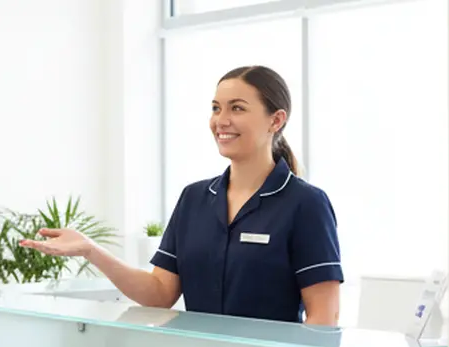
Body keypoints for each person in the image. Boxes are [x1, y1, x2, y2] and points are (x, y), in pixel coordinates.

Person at [21, 65, 344, 325]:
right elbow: (160, 293)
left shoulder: (305, 203)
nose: (221, 120)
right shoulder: (194, 199)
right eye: (216, 108)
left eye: (237, 108)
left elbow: (324, 317)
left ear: (276, 119)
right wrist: (92, 251)